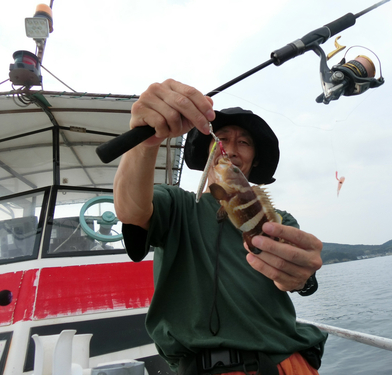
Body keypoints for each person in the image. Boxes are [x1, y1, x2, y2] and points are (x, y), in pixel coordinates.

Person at [113, 79, 327, 375]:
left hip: (286, 363)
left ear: (254, 159)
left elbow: (298, 277)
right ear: (210, 152)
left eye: (244, 142)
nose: (231, 149)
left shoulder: (279, 220)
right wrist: (145, 142)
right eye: (222, 138)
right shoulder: (176, 204)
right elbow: (131, 210)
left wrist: (302, 278)